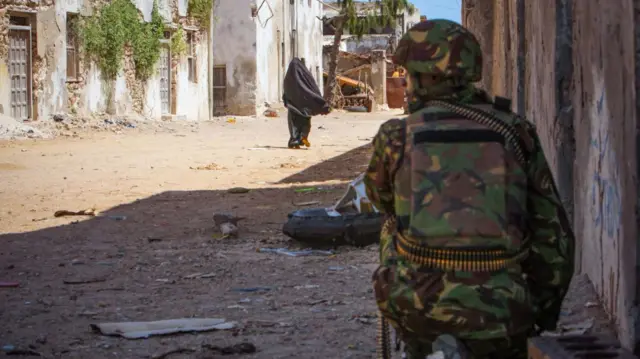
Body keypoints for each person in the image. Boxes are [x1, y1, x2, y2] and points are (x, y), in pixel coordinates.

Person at [363, 19, 575, 359]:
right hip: (501, 310)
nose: (405, 83)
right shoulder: (514, 131)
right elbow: (554, 237)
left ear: (423, 77)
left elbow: (380, 200)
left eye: (408, 74)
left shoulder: (395, 136)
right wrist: (538, 312)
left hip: (416, 307)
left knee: (392, 226)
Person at [282, 58, 330, 149]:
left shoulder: (288, 79)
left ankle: (294, 139)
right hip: (305, 106)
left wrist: (287, 101)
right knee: (305, 122)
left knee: (294, 123)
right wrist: (320, 102)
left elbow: (286, 91)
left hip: (293, 106)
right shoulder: (305, 77)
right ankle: (301, 138)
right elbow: (312, 89)